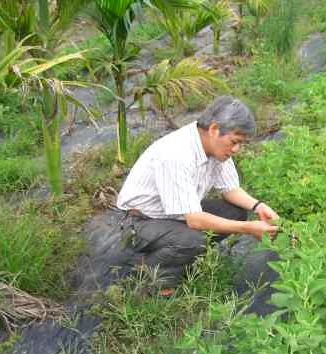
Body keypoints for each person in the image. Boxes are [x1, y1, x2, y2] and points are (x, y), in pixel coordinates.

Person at [116, 96, 279, 293]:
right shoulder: (176, 154)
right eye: (235, 142)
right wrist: (248, 228)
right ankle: (151, 274)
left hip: (174, 215)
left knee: (235, 212)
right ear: (213, 129)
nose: (236, 149)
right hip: (141, 223)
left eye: (241, 144)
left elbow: (230, 190)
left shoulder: (216, 148)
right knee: (194, 238)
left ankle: (180, 258)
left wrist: (258, 206)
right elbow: (195, 220)